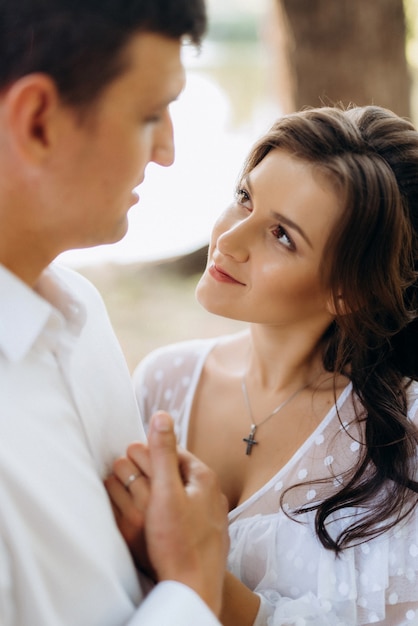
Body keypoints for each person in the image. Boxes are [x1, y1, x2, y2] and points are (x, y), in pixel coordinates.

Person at [108, 105, 418, 625]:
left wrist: (199, 577)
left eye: (282, 236)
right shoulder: (163, 381)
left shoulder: (402, 439)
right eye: (244, 199)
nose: (228, 240)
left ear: (349, 289)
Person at [0, 1, 230, 625]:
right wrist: (190, 588)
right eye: (151, 114)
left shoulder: (82, 315)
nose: (167, 152)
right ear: (38, 120)